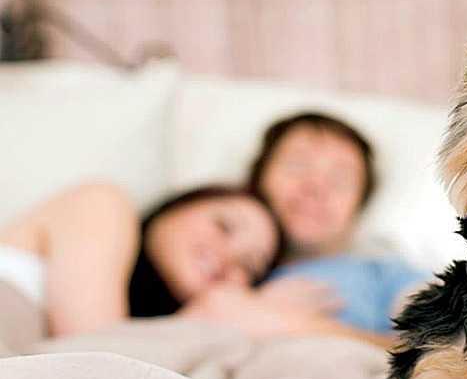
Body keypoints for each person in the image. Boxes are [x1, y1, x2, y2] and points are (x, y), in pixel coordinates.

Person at [0, 183, 340, 338]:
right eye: (224, 226)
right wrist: (207, 317)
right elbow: (91, 360)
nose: (227, 258)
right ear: (176, 206)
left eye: (248, 267)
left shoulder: (150, 332)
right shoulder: (103, 204)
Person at [248, 112, 429, 348]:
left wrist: (278, 322)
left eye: (339, 180)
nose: (316, 186)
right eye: (297, 166)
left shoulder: (385, 274)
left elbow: (440, 347)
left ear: (358, 208)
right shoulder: (221, 262)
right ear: (257, 178)